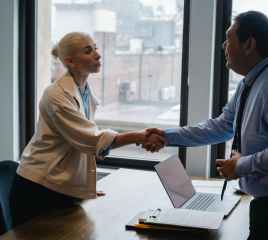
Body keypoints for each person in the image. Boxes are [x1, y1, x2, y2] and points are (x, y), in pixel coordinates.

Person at [144, 11, 268, 239]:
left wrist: (241, 166)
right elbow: (221, 126)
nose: (223, 46)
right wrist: (167, 136)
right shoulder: (252, 81)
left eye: (228, 39)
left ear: (249, 44)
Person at [10, 32, 164, 227]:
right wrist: (139, 136)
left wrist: (83, 187)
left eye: (96, 48)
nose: (98, 55)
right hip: (38, 188)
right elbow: (90, 140)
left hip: (60, 185)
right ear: (70, 61)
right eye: (88, 50)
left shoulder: (83, 90)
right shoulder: (56, 95)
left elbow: (83, 143)